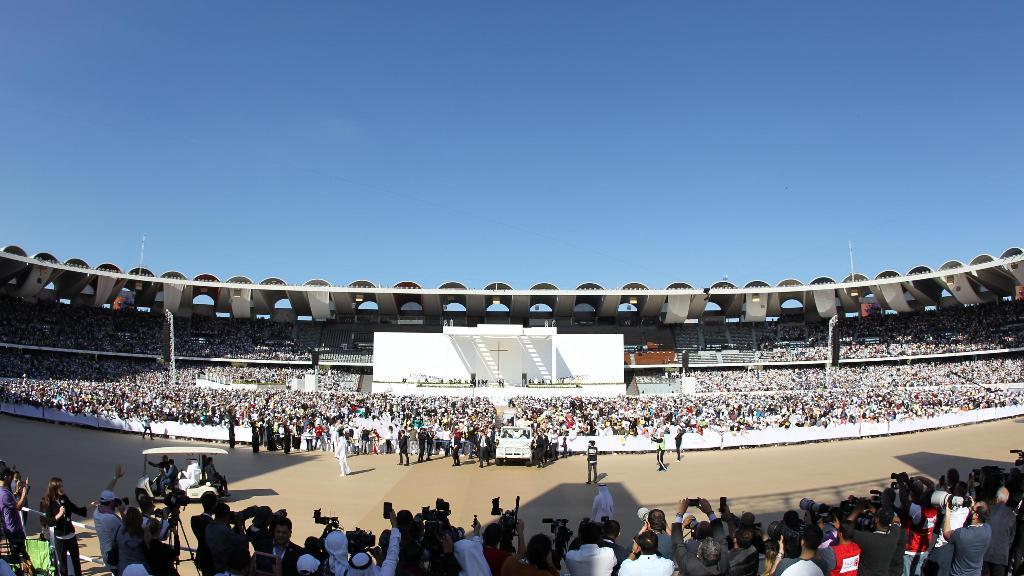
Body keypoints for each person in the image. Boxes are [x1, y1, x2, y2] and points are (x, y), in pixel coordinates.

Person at [42, 477, 91, 576]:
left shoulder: (65, 498)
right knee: (63, 566)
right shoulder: (49, 503)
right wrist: (59, 515)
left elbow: (76, 509)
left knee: (76, 563)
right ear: (54, 489)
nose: (62, 488)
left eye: (62, 486)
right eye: (59, 487)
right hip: (60, 538)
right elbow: (49, 522)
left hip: (71, 536)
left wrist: (90, 506)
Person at [941, 501, 990, 576]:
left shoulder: (961, 534)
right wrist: (972, 508)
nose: (970, 509)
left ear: (976, 516)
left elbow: (946, 533)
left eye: (972, 509)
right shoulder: (988, 530)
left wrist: (948, 512)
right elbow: (970, 525)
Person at [205, 503, 248, 574]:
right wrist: (240, 526)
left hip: (216, 564)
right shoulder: (225, 530)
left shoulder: (208, 527)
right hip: (229, 568)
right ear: (227, 515)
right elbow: (244, 542)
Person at [0, 466, 29, 570]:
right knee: (20, 557)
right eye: (10, 476)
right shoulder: (4, 493)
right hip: (14, 529)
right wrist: (24, 494)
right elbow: (18, 507)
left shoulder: (3, 491)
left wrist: (16, 492)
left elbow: (9, 503)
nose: (11, 478)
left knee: (22, 554)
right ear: (5, 477)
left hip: (10, 528)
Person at [984, 488, 1016, 576]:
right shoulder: (1011, 515)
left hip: (985, 553)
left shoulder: (988, 510)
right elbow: (1011, 537)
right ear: (1006, 499)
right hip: (1001, 555)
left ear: (997, 498)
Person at [115, 507, 150, 576]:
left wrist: (122, 512)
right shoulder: (144, 533)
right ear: (140, 519)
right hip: (142, 568)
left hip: (124, 568)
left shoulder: (119, 530)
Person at [191, 492, 218, 576]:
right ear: (214, 506)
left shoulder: (194, 519)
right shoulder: (213, 524)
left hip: (201, 556)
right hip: (212, 560)